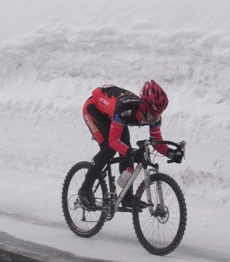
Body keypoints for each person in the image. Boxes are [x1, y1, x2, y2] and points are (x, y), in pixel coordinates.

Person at [78, 80, 182, 211]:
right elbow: (113, 141)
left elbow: (157, 142)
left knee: (126, 148)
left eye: (159, 114)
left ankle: (127, 198)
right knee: (109, 149)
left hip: (112, 115)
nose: (157, 119)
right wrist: (131, 152)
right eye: (154, 114)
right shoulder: (125, 110)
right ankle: (84, 190)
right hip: (93, 109)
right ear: (144, 108)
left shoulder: (152, 115)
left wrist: (170, 152)